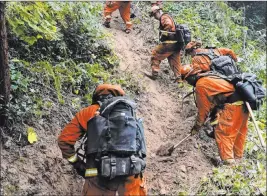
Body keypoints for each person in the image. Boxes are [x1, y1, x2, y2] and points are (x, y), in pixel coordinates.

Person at [58, 84, 147, 195]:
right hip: (131, 172)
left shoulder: (88, 112)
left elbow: (64, 141)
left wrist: (78, 164)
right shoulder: (130, 113)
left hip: (98, 177)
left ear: (96, 96)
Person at [180, 64, 249, 165]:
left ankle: (229, 164)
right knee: (238, 132)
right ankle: (238, 160)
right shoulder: (209, 76)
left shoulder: (200, 85)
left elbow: (203, 111)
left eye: (187, 80)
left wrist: (197, 126)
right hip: (244, 104)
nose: (188, 83)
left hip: (233, 106)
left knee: (222, 133)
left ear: (191, 76)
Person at [150, 5, 184, 79]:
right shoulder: (167, 16)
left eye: (154, 15)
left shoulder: (164, 17)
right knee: (175, 62)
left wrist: (164, 35)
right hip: (176, 44)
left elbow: (168, 25)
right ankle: (179, 80)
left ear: (158, 12)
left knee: (155, 54)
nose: (155, 17)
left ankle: (155, 73)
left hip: (170, 42)